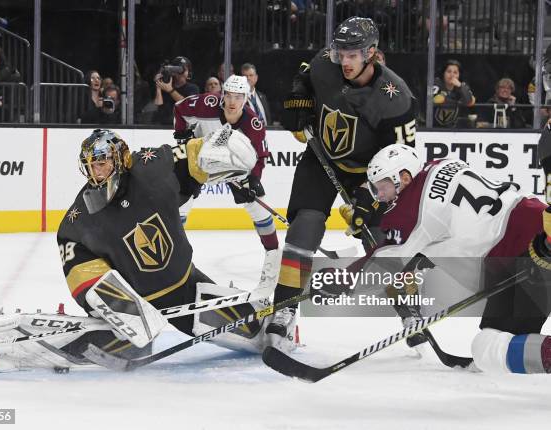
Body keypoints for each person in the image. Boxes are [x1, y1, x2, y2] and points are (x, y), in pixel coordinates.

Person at [0, 128, 276, 372]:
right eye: (92, 164)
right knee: (135, 342)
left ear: (120, 159)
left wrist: (236, 164)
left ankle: (272, 322)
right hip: (137, 299)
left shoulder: (150, 167)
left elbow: (205, 151)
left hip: (186, 289)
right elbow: (82, 274)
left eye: (103, 161)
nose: (97, 170)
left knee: (257, 334)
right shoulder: (79, 220)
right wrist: (125, 310)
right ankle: (17, 340)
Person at [266, 16, 418, 348]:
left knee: (381, 240)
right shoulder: (326, 62)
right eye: (340, 54)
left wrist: (370, 195)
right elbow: (304, 76)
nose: (344, 61)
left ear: (372, 53)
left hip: (371, 171)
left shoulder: (396, 99)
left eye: (353, 55)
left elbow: (405, 163)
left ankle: (410, 310)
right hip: (320, 158)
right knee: (305, 226)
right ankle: (285, 307)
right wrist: (298, 98)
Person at [346, 142, 551, 374]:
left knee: (497, 347)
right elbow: (455, 217)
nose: (379, 196)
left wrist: (342, 280)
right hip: (532, 219)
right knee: (491, 341)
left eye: (382, 187)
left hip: (526, 250)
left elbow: (384, 264)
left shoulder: (412, 212)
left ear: (403, 178)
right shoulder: (441, 163)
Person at [174, 75, 281, 287]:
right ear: (222, 95)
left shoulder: (254, 124)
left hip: (233, 165)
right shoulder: (206, 104)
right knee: (179, 207)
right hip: (198, 158)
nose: (232, 102)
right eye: (229, 96)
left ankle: (273, 258)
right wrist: (182, 137)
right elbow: (179, 108)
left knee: (259, 209)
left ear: (246, 98)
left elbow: (260, 157)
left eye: (238, 97)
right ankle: (174, 259)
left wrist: (253, 180)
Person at [153, 56, 200, 125]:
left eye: (184, 70)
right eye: (177, 69)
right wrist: (158, 87)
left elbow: (189, 105)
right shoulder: (165, 86)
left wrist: (170, 90)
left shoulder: (193, 88)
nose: (181, 72)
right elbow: (158, 106)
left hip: (184, 126)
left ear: (189, 73)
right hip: (164, 126)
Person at [432, 59, 476, 128]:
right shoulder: (436, 83)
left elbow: (469, 101)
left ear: (459, 75)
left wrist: (460, 86)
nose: (452, 75)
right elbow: (434, 100)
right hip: (432, 128)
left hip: (453, 129)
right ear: (443, 73)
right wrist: (456, 100)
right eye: (449, 71)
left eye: (455, 72)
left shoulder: (462, 86)